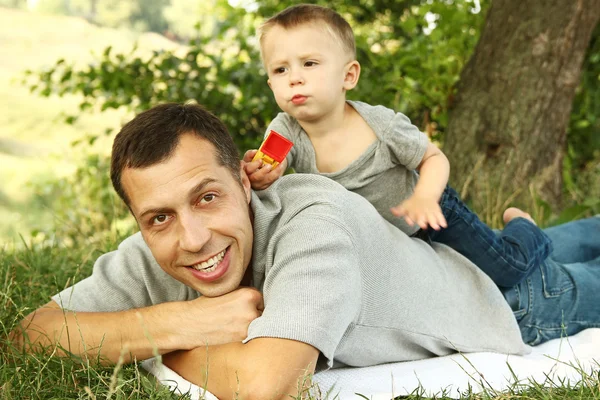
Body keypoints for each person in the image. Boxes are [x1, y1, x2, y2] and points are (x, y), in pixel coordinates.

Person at [12, 103, 600, 400]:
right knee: (581, 233)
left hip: (512, 306)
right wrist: (186, 319)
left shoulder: (312, 221)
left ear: (246, 182)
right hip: (463, 262)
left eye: (208, 197)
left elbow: (268, 384)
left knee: (573, 270)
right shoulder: (153, 250)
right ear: (141, 220)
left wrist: (160, 349)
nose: (191, 239)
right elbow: (29, 335)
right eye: (159, 217)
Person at [243, 4, 552, 288]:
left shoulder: (381, 125)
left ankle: (523, 225)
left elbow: (434, 158)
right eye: (280, 70)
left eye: (309, 63)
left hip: (434, 213)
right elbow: (273, 165)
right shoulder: (285, 130)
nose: (294, 78)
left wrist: (425, 197)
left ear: (348, 76)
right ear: (271, 83)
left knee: (505, 271)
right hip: (388, 243)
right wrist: (262, 173)